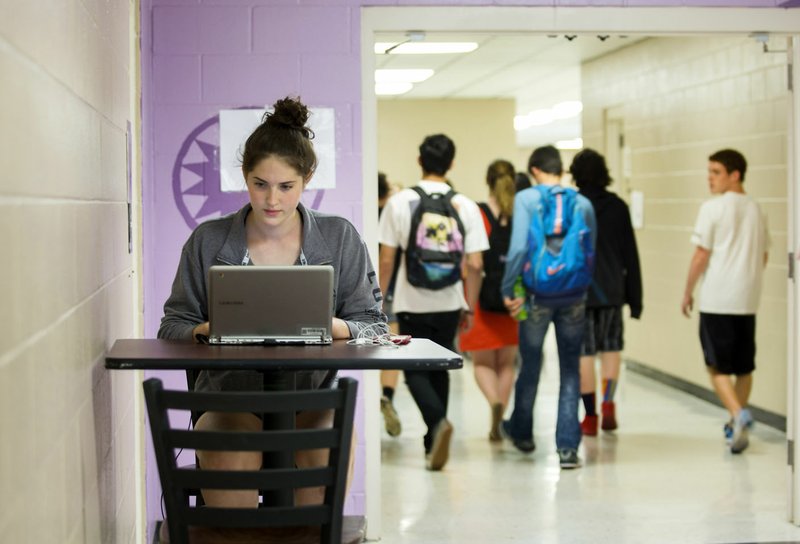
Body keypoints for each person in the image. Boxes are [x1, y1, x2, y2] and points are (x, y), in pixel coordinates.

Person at [158, 96, 388, 508]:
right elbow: (172, 326)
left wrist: (339, 327)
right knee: (232, 453)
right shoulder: (208, 241)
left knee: (332, 443)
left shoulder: (339, 238)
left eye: (286, 187)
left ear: (307, 178)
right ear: (244, 177)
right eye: (260, 185)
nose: (272, 200)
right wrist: (204, 331)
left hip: (310, 399)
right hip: (230, 401)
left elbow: (374, 325)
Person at [378, 133, 488, 470]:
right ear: (452, 163)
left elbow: (386, 259)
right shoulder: (466, 206)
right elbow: (476, 265)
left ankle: (437, 423)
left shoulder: (400, 202)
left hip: (411, 300)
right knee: (441, 367)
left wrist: (380, 303)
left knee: (414, 369)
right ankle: (432, 442)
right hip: (451, 300)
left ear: (419, 160)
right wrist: (469, 303)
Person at [499, 145, 596, 469]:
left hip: (535, 296)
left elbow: (516, 250)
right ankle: (568, 448)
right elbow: (590, 251)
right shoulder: (582, 203)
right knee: (570, 369)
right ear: (560, 170)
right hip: (574, 297)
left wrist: (507, 287)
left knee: (531, 362)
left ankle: (523, 433)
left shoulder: (527, 199)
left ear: (535, 170)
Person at [681, 149, 769, 454]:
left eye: (716, 172)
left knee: (716, 367)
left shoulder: (712, 208)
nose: (710, 178)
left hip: (718, 299)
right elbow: (765, 256)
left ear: (735, 174)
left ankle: (737, 414)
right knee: (744, 368)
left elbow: (700, 255)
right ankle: (736, 424)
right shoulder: (757, 209)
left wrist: (687, 290)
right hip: (748, 299)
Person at [570, 149, 643, 436]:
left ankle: (590, 416)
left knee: (585, 353)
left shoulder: (574, 205)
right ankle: (609, 403)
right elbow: (631, 256)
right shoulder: (618, 206)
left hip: (581, 290)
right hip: (613, 290)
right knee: (611, 348)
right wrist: (636, 299)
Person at [458, 159, 519, 441]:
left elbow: (473, 263)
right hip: (514, 300)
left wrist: (467, 301)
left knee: (482, 362)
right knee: (507, 362)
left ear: (488, 180)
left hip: (481, 298)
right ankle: (502, 413)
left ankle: (493, 402)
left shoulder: (478, 213)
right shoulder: (520, 214)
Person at [378, 171, 402, 437]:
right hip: (392, 285)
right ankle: (387, 395)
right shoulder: (392, 210)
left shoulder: (363, 210)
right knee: (392, 347)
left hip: (365, 285)